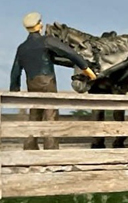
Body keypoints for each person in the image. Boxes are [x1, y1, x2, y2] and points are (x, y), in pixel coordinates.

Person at [10, 12, 97, 150]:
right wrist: (86, 68)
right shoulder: (47, 41)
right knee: (51, 114)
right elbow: (70, 53)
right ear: (39, 25)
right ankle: (51, 150)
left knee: (35, 114)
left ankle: (30, 147)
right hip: (47, 80)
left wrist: (14, 90)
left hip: (31, 83)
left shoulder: (22, 48)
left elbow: (15, 71)